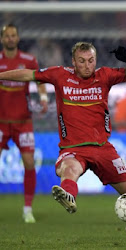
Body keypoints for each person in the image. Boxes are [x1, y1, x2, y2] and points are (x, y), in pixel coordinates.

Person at [0, 42, 126, 243]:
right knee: (70, 169)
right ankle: (68, 195)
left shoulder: (105, 76)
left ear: (96, 60)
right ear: (73, 62)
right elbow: (28, 75)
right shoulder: (59, 75)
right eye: (82, 61)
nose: (87, 65)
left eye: (91, 61)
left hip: (103, 149)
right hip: (73, 149)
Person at [0, 23, 48, 223]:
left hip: (23, 121)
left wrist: (43, 98)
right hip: (1, 122)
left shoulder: (29, 60)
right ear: (2, 39)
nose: (10, 38)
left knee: (29, 163)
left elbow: (40, 80)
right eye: (7, 36)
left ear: (18, 38)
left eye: (13, 35)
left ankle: (27, 209)